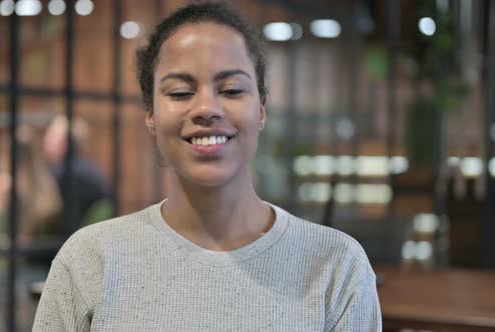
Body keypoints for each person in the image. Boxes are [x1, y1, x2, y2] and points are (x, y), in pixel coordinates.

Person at [33, 2, 381, 331]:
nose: (206, 108)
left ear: (261, 109)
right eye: (181, 93)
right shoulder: (91, 261)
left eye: (231, 90)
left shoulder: (336, 267)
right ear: (151, 115)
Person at [42, 115, 109, 229]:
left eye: (51, 138)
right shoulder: (90, 167)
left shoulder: (64, 174)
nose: (45, 142)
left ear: (64, 144)